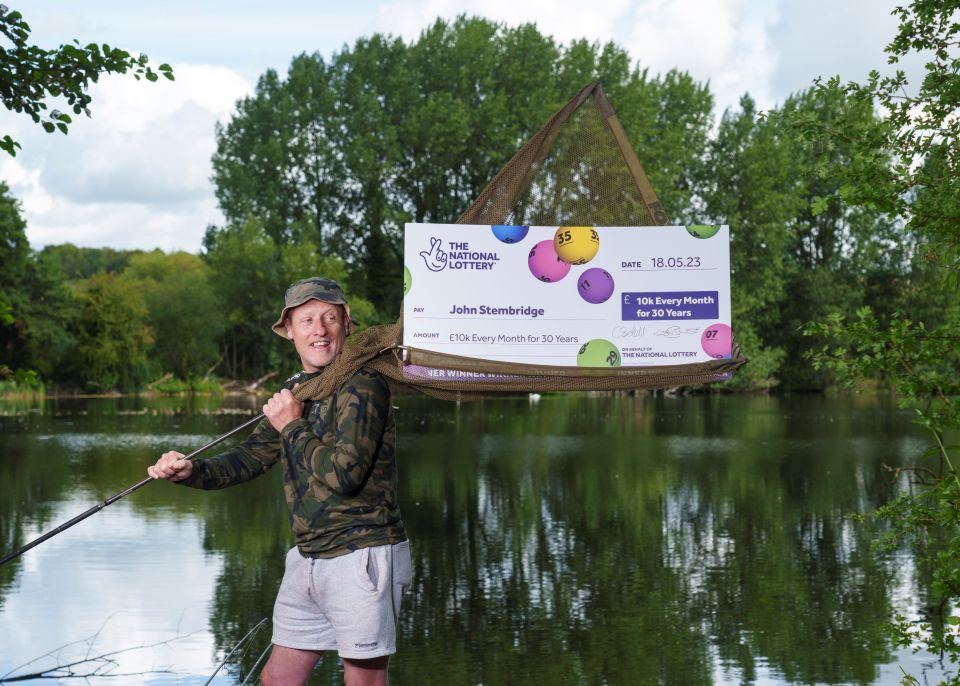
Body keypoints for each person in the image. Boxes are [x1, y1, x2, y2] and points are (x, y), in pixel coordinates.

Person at [148, 277, 410, 686]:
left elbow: (345, 473)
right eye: (307, 320)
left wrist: (292, 426)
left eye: (329, 318)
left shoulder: (364, 383)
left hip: (362, 555)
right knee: (277, 679)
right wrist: (191, 471)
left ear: (347, 325)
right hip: (308, 558)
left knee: (364, 681)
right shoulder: (296, 389)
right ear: (289, 330)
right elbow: (252, 457)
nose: (319, 330)